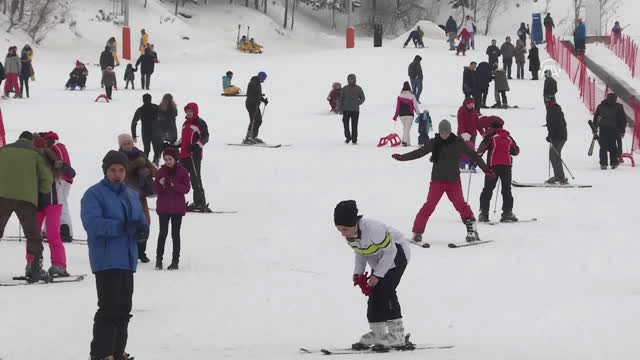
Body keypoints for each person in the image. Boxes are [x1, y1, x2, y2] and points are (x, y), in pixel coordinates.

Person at [81, 150, 148, 360]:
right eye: (113, 170)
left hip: (127, 260)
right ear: (105, 171)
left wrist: (142, 229)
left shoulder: (131, 194)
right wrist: (121, 227)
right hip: (106, 259)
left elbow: (139, 219)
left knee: (124, 308)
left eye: (121, 170)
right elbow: (92, 224)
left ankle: (117, 351)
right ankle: (102, 353)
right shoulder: (94, 194)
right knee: (109, 308)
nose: (117, 174)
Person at [391, 120, 493, 243]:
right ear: (439, 132)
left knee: (461, 205)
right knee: (429, 205)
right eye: (442, 132)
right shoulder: (434, 143)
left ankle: (472, 231)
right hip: (437, 181)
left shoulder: (458, 143)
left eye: (446, 132)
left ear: (450, 132)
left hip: (453, 181)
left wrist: (486, 169)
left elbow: (474, 155)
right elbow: (419, 153)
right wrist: (403, 157)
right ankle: (417, 232)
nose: (444, 135)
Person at [334, 200, 411, 348]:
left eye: (344, 229)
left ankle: (397, 335)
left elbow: (391, 252)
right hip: (379, 259)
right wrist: (358, 274)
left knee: (386, 290)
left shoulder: (375, 230)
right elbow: (360, 253)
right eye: (339, 230)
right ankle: (378, 333)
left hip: (397, 254)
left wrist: (378, 275)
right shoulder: (350, 234)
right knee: (375, 293)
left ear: (353, 223)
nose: (342, 234)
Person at [0, 131, 52, 282]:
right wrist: (43, 194)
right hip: (27, 198)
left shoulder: (4, 150)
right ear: (32, 140)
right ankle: (36, 269)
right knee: (33, 235)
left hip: (2, 196)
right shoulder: (35, 153)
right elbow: (47, 177)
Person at [31, 135, 75, 277]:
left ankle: (58, 264)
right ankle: (33, 263)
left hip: (53, 202)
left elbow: (71, 173)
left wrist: (61, 164)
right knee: (34, 235)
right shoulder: (30, 160)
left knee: (52, 235)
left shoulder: (52, 156)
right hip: (36, 202)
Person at [118, 134, 157, 263]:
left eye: (129, 143)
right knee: (129, 224)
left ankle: (141, 252)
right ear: (121, 146)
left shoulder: (140, 154)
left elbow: (154, 170)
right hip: (125, 197)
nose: (128, 146)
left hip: (140, 196)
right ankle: (129, 251)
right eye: (125, 144)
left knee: (145, 224)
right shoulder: (118, 158)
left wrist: (147, 171)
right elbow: (122, 171)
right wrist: (136, 164)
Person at [153, 147, 190, 270]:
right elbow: (155, 189)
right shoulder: (161, 171)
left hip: (177, 209)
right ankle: (159, 260)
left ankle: (175, 261)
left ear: (175, 158)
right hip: (163, 208)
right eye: (165, 159)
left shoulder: (183, 171)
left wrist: (174, 185)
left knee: (175, 234)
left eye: (170, 159)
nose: (167, 161)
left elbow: (186, 189)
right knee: (162, 233)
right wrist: (160, 184)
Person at [477, 119, 520, 223]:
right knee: (506, 189)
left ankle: (484, 213)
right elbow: (516, 151)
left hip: (493, 166)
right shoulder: (508, 137)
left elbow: (480, 150)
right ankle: (507, 213)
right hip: (507, 166)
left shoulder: (490, 136)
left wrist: (476, 157)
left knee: (488, 189)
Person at [42, 132, 74, 243]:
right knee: (53, 204)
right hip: (64, 179)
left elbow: (59, 163)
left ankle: (66, 231)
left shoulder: (56, 147)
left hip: (62, 179)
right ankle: (49, 230)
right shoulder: (60, 146)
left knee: (60, 204)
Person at [178, 102, 210, 212]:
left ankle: (200, 202)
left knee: (195, 179)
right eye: (187, 111)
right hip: (183, 155)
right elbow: (183, 140)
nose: (189, 113)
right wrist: (173, 145)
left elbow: (205, 137)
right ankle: (176, 201)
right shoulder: (185, 123)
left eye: (191, 111)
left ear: (195, 111)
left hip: (194, 156)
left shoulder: (200, 123)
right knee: (179, 178)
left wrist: (196, 146)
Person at [593, 93, 627, 170]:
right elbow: (622, 120)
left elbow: (596, 118)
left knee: (603, 147)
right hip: (614, 129)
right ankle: (614, 162)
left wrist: (595, 128)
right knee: (613, 146)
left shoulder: (601, 106)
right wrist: (622, 130)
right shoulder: (618, 106)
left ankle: (603, 164)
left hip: (603, 129)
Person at [131, 93, 161, 165]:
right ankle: (155, 163)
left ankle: (145, 163)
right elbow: (164, 119)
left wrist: (134, 135)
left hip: (145, 132)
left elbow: (134, 123)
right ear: (151, 99)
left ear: (143, 100)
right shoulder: (156, 108)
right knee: (156, 149)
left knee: (146, 149)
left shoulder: (140, 110)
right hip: (155, 131)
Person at [545, 100, 568, 184]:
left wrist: (550, 136)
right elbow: (553, 125)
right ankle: (558, 176)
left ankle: (560, 177)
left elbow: (554, 125)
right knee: (554, 155)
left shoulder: (552, 111)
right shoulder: (555, 110)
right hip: (560, 136)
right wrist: (550, 135)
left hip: (559, 137)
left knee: (554, 155)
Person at [392, 81, 421, 146]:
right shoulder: (412, 96)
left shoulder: (399, 96)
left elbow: (398, 107)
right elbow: (415, 106)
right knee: (407, 128)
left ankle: (408, 143)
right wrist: (419, 113)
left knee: (406, 128)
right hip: (410, 115)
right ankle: (404, 141)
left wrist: (395, 116)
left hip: (401, 115)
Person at [339, 73, 365, 145]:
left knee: (354, 125)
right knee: (345, 125)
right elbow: (341, 99)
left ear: (354, 79)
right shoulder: (345, 88)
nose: (350, 80)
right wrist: (340, 108)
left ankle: (354, 140)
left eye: (351, 79)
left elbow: (363, 98)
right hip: (346, 110)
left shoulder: (358, 88)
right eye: (349, 79)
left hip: (355, 110)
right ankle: (348, 137)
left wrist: (358, 102)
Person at [244, 71, 269, 144]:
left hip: (255, 104)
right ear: (260, 77)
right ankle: (248, 138)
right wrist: (256, 100)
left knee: (259, 120)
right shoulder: (253, 83)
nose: (264, 80)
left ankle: (254, 136)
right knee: (254, 120)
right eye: (263, 78)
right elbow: (250, 95)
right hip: (251, 104)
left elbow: (258, 94)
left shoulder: (258, 83)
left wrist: (263, 100)